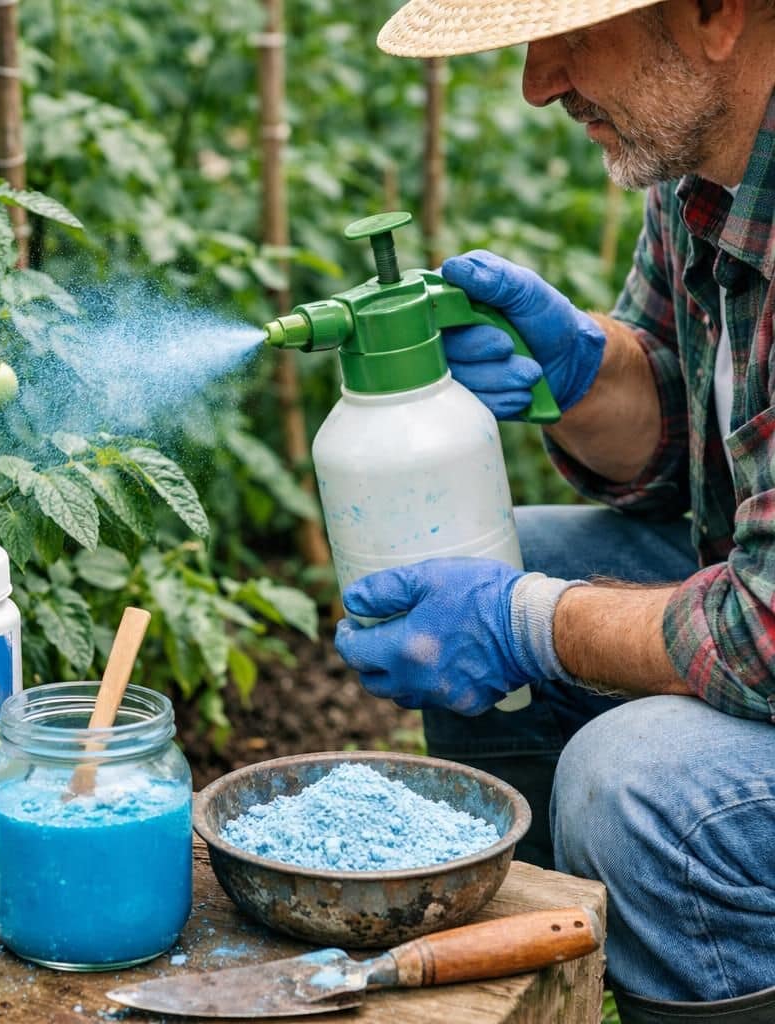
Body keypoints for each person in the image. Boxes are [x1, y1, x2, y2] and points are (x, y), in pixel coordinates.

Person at [332, 1, 775, 1021]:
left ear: (714, 15)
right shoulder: (707, 175)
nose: (538, 83)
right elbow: (691, 445)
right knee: (490, 552)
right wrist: (580, 372)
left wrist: (529, 622)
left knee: (639, 788)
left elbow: (763, 628)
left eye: (569, 33)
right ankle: (551, 979)